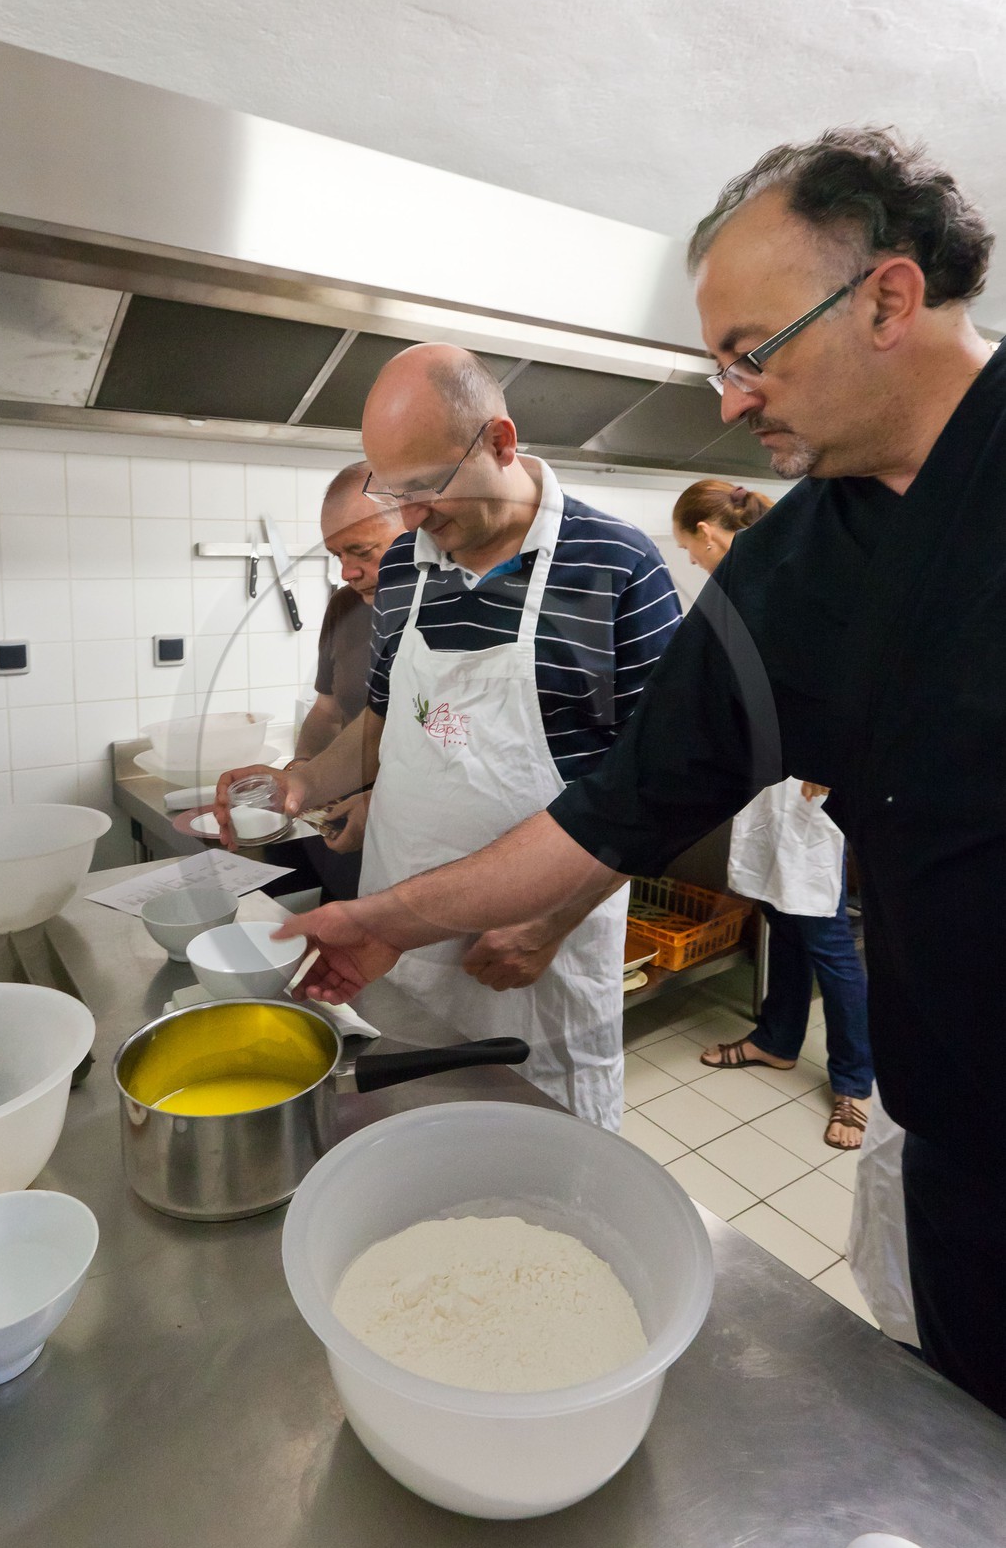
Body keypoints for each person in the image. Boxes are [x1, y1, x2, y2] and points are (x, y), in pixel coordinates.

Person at [274, 129, 1006, 1420]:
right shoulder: (788, 575)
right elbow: (613, 810)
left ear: (887, 299)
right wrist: (385, 918)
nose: (728, 400)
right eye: (716, 363)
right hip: (960, 1132)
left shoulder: (620, 564)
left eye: (748, 353)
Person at [220, 341, 683, 1129]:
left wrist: (551, 920)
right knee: (414, 1128)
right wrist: (302, 782)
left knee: (539, 1147)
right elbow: (384, 719)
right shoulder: (405, 564)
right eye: (391, 492)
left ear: (500, 442)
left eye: (426, 487)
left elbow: (661, 785)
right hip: (397, 936)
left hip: (534, 952)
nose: (408, 518)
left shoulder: (615, 564)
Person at [672, 478, 874, 1149]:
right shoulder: (742, 589)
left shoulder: (797, 576)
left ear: (709, 534)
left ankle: (854, 1083)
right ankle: (776, 1039)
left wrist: (831, 754)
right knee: (781, 916)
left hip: (811, 782)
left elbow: (852, 666)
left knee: (823, 932)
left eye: (690, 548)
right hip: (768, 777)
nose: (692, 560)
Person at [260, 462, 402, 901]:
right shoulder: (345, 607)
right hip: (343, 826)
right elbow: (327, 712)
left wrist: (382, 803)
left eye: (362, 551)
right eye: (338, 555)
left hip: (414, 834)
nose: (347, 572)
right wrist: (303, 769)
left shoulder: (448, 611)